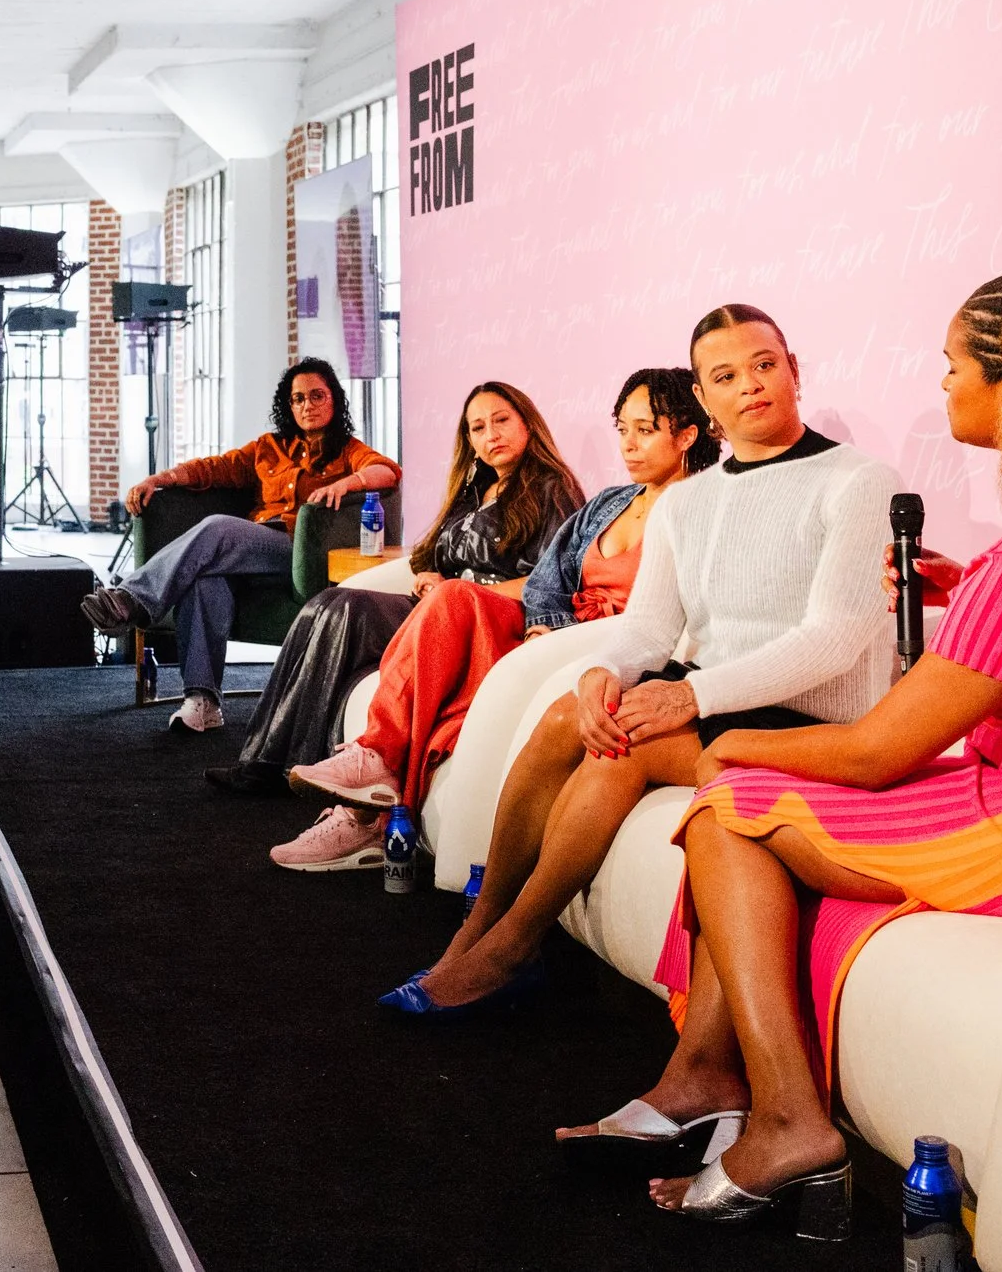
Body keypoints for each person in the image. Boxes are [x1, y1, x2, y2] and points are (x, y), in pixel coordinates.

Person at [568, 267, 1002, 1230]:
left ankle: (784, 1114)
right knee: (742, 797)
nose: (943, 383)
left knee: (730, 801)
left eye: (954, 365)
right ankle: (707, 1076)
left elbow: (877, 749)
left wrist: (724, 733)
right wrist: (964, 588)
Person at [388, 306, 897, 1016]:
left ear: (793, 370)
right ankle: (483, 925)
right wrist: (603, 670)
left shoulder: (859, 479)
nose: (751, 384)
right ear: (704, 397)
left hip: (808, 714)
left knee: (623, 748)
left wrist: (691, 698)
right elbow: (652, 625)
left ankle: (510, 948)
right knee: (571, 709)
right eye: (726, 375)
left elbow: (834, 638)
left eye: (765, 364)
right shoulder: (689, 501)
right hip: (721, 695)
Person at [265, 374, 719, 874]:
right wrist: (541, 625)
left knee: (445, 616)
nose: (628, 445)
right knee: (441, 599)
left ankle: (369, 806)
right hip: (549, 626)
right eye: (622, 429)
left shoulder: (704, 509)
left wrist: (552, 633)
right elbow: (550, 575)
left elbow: (677, 612)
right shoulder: (613, 502)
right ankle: (372, 770)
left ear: (687, 436)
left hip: (607, 644)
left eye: (645, 430)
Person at [204, 379, 583, 803]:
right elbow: (428, 553)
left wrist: (459, 589)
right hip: (437, 607)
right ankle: (264, 758)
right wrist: (427, 577)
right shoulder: (473, 487)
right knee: (327, 603)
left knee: (346, 614)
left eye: (501, 421)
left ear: (527, 424)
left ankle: (280, 765)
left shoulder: (551, 488)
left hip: (486, 618)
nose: (490, 435)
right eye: (478, 428)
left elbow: (552, 582)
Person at [82, 358, 401, 735]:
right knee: (205, 580)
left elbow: (387, 470)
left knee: (217, 528)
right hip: (249, 549)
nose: (307, 405)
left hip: (296, 551)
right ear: (289, 405)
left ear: (334, 400)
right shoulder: (269, 449)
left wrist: (345, 484)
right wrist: (159, 478)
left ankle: (133, 598)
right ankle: (203, 701)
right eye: (298, 399)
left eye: (317, 396)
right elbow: (212, 468)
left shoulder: (348, 450)